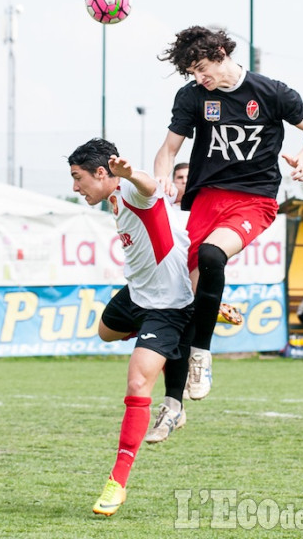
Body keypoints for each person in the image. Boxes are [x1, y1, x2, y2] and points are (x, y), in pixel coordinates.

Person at [153, 26, 303, 398]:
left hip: (254, 199)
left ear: (220, 52)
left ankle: (201, 358)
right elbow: (168, 150)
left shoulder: (271, 92)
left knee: (212, 254)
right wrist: (162, 178)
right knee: (194, 292)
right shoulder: (193, 97)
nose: (200, 78)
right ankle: (173, 402)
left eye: (202, 68)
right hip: (205, 199)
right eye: (193, 73)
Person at [68, 138, 194, 517]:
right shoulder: (114, 200)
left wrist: (130, 174)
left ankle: (117, 483)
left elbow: (150, 188)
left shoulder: (131, 191)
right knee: (104, 332)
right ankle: (166, 347)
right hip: (136, 294)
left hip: (166, 305)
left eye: (78, 178)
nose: (75, 187)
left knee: (138, 382)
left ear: (102, 173)